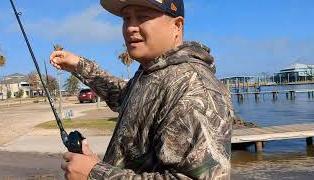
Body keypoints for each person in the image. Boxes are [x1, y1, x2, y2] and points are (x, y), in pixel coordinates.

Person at [50, 0, 234, 179]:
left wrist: (96, 174)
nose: (131, 27)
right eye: (126, 18)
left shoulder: (195, 88)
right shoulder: (152, 72)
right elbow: (123, 96)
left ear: (177, 26)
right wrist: (77, 65)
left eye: (143, 17)